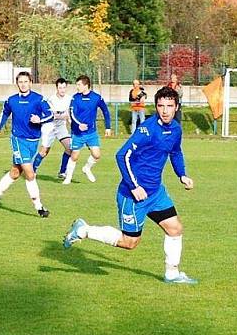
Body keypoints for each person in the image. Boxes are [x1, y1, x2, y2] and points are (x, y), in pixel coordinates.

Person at [62, 86, 197, 284]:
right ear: (156, 107)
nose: (165, 110)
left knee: (175, 228)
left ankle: (172, 273)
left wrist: (182, 175)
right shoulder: (147, 129)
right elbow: (122, 155)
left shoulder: (176, 129)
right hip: (133, 196)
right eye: (161, 106)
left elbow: (175, 152)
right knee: (129, 242)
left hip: (156, 193)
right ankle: (84, 230)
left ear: (176, 107)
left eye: (169, 106)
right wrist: (134, 186)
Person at [0, 71, 52, 218]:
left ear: (30, 82)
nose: (23, 84)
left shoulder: (39, 99)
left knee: (15, 173)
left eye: (25, 81)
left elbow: (50, 114)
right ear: (17, 84)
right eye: (20, 82)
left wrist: (39, 119)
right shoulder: (12, 100)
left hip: (33, 141)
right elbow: (4, 113)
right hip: (18, 139)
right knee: (30, 173)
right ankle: (39, 207)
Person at [61, 74, 112, 185]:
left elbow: (106, 111)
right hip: (77, 132)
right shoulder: (75, 98)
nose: (77, 87)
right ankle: (68, 178)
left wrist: (108, 127)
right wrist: (78, 124)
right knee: (74, 156)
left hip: (91, 132)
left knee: (97, 155)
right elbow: (72, 113)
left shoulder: (96, 97)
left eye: (79, 85)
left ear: (86, 85)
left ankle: (87, 168)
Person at [33, 77, 72, 179]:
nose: (62, 90)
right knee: (44, 151)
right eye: (60, 88)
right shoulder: (51, 99)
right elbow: (51, 115)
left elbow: (69, 114)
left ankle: (62, 171)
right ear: (57, 88)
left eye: (64, 87)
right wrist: (62, 115)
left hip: (61, 126)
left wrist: (68, 119)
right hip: (49, 126)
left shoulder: (69, 99)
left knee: (69, 148)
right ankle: (32, 169)